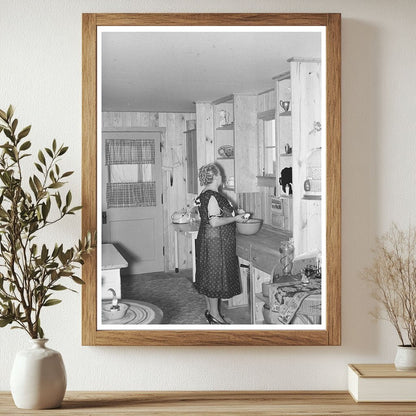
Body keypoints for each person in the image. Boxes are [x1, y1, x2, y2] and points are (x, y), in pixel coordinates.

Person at [194, 163, 247, 324]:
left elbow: (205, 216)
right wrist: (236, 218)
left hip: (208, 238)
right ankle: (216, 316)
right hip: (216, 241)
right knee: (214, 278)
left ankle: (212, 312)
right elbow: (215, 222)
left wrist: (234, 212)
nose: (221, 177)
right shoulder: (211, 195)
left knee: (209, 276)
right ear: (216, 177)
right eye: (220, 174)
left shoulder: (204, 193)